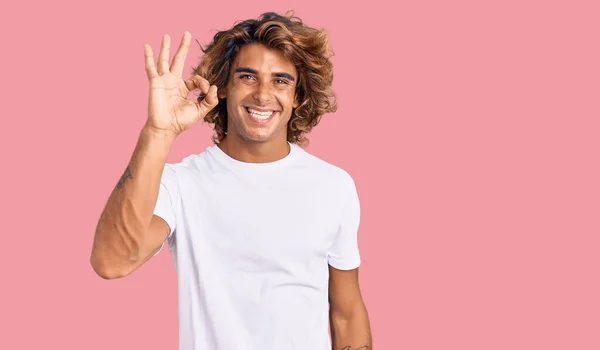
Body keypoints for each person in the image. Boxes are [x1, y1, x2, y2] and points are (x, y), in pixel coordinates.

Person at [90, 11, 372, 350]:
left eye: (281, 80)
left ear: (298, 96)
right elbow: (111, 261)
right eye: (248, 77)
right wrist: (158, 133)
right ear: (224, 87)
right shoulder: (180, 184)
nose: (264, 95)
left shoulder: (333, 186)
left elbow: (347, 314)